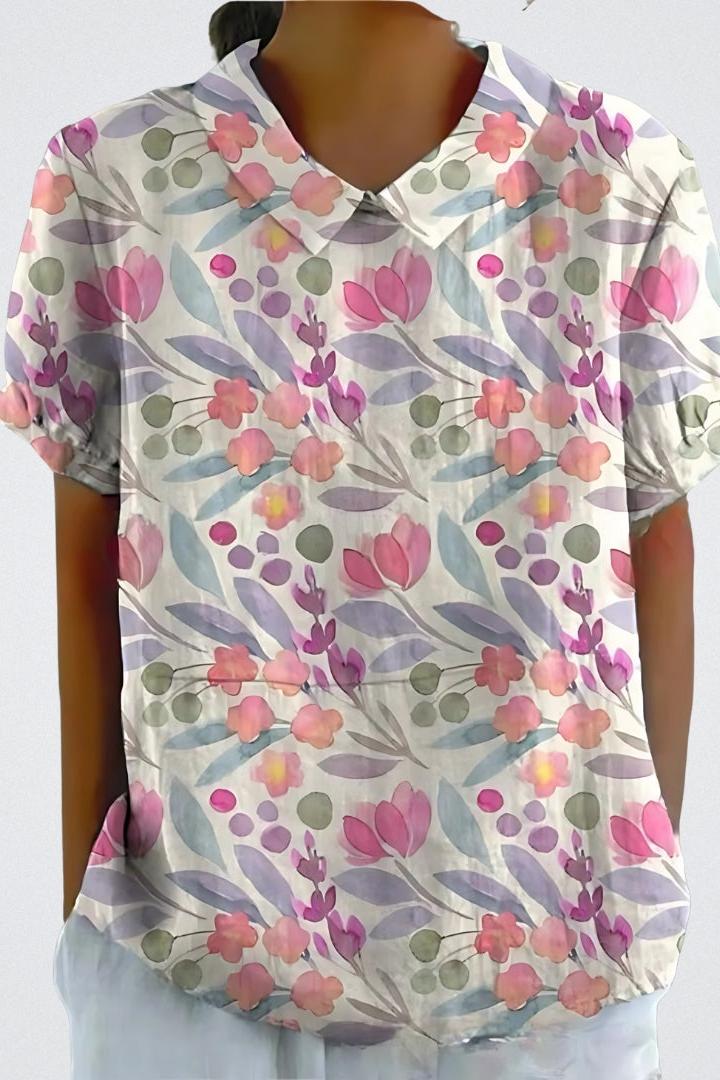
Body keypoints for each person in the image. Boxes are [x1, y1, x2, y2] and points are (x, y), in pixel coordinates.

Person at [1, 1, 715, 1077]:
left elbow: (659, 543)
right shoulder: (112, 173)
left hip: (507, 977)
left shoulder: (626, 173)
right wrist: (89, 947)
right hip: (222, 965)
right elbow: (83, 566)